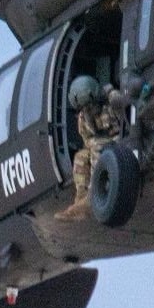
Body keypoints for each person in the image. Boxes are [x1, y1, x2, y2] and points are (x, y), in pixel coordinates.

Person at [57, 74, 119, 220]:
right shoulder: (83, 117)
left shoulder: (113, 101)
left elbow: (127, 124)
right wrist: (94, 145)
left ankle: (95, 193)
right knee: (80, 157)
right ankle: (81, 201)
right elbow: (87, 139)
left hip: (120, 143)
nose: (88, 110)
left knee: (98, 148)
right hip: (100, 146)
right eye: (83, 108)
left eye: (90, 106)